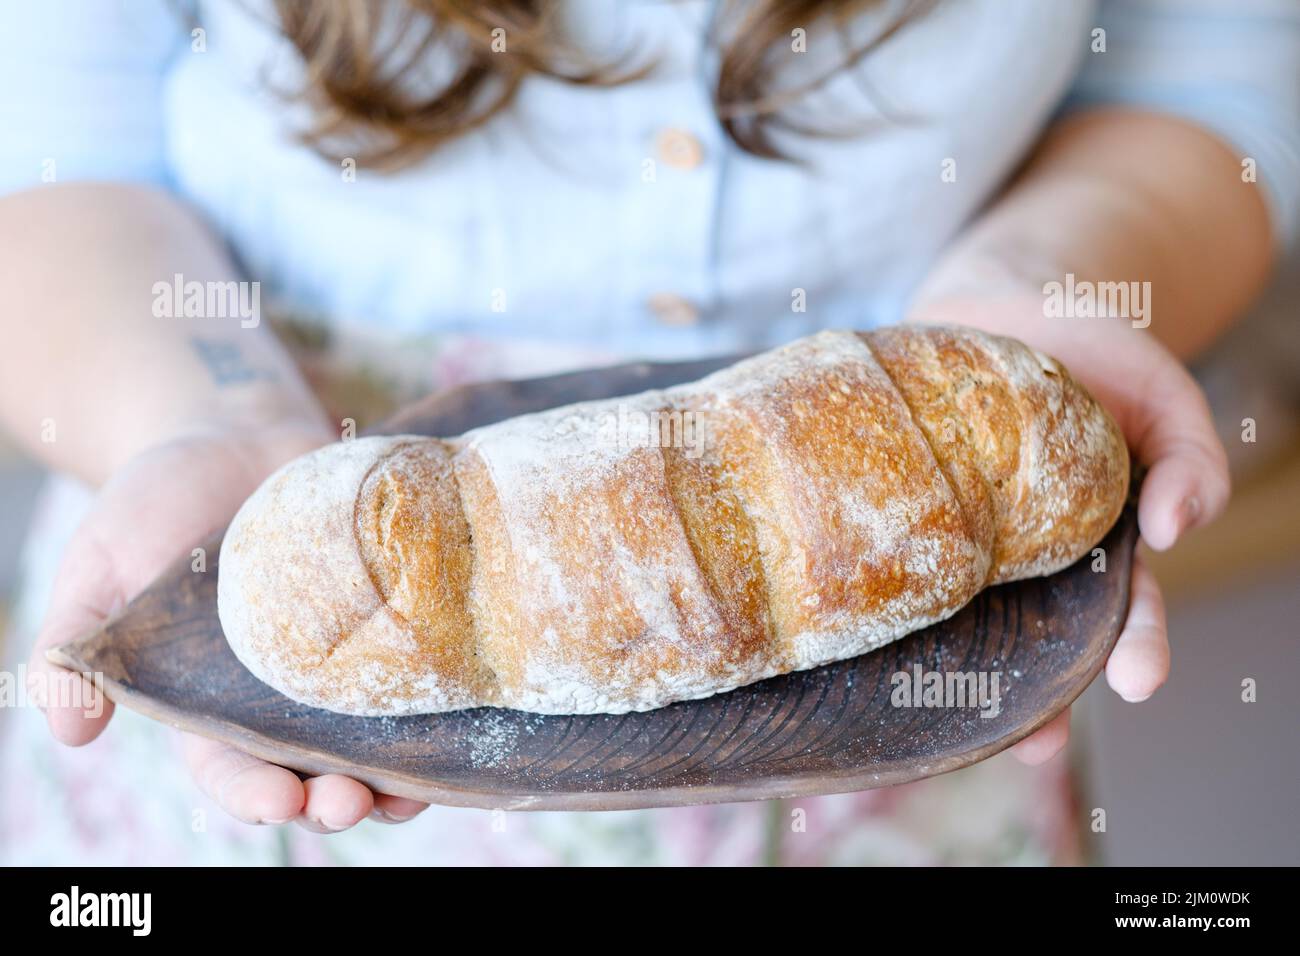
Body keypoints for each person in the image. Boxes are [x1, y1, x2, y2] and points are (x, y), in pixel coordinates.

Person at [0, 0, 1295, 865]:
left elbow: (1205, 85)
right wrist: (195, 409)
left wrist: (1037, 281)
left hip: (911, 642)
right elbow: (52, 161)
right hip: (272, 534)